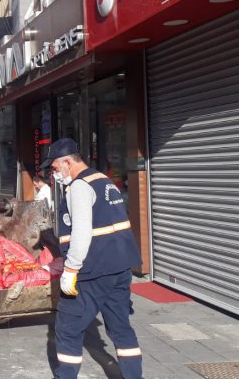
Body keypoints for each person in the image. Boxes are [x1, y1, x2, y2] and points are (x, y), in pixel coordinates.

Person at [39, 138, 143, 379]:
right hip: (120, 267)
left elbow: (82, 232)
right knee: (120, 327)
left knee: (68, 328)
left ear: (66, 162)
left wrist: (71, 270)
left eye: (54, 168)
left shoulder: (79, 186)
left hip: (92, 271)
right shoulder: (103, 181)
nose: (53, 174)